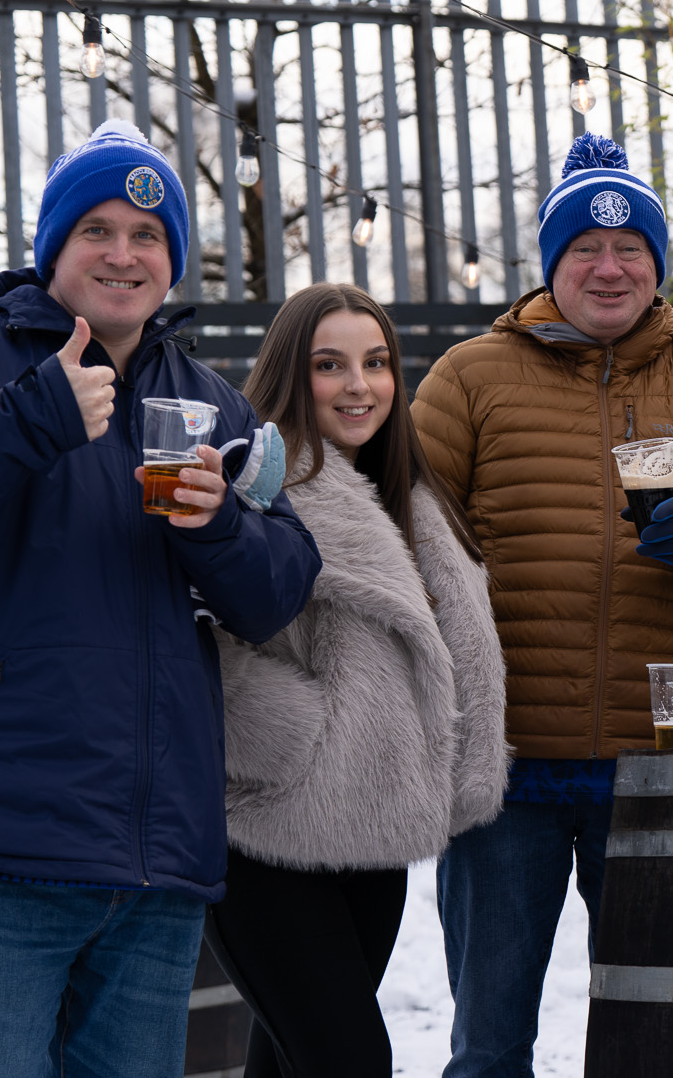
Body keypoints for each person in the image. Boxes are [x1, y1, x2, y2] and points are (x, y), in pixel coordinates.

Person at [413, 134, 673, 1078]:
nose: (609, 266)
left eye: (631, 249)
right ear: (553, 264)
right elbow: (409, 538)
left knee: (663, 1035)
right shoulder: (469, 376)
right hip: (505, 765)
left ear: (658, 267)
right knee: (490, 1039)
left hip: (658, 770)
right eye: (585, 246)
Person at [0, 119, 320, 1077]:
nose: (124, 252)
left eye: (148, 235)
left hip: (157, 864)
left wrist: (220, 528)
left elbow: (278, 593)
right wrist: (31, 418)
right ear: (54, 249)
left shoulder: (214, 405)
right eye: (97, 231)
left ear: (174, 260)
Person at [205, 283, 509, 1078]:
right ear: (289, 375)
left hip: (372, 833)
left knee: (289, 1061)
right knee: (350, 1061)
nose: (359, 385)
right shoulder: (251, 485)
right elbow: (201, 640)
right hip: (266, 832)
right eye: (329, 364)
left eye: (376, 363)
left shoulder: (414, 496)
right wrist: (298, 735)